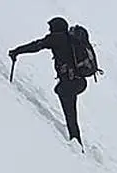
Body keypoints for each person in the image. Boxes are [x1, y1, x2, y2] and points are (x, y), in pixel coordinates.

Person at [9, 17, 91, 146]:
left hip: (69, 83)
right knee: (71, 115)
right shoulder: (70, 39)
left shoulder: (56, 38)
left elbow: (36, 45)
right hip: (79, 81)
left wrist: (17, 51)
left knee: (70, 113)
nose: (49, 30)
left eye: (51, 27)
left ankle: (76, 144)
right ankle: (76, 141)